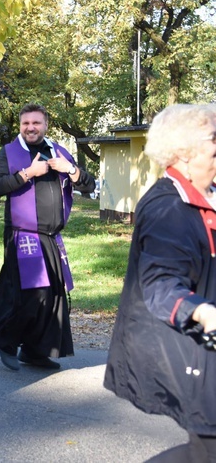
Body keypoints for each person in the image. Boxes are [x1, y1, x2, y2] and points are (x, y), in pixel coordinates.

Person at [104, 104, 216, 461]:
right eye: (213, 138)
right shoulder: (169, 208)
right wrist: (201, 311)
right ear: (185, 153)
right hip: (187, 344)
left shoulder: (206, 194)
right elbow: (160, 283)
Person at [0, 104, 95, 371]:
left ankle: (35, 350)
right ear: (20, 125)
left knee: (52, 295)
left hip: (51, 238)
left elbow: (89, 184)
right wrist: (28, 173)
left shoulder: (59, 152)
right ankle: (4, 341)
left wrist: (71, 170)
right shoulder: (9, 152)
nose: (31, 127)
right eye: (26, 123)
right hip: (23, 236)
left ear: (46, 125)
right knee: (32, 294)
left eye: (36, 123)